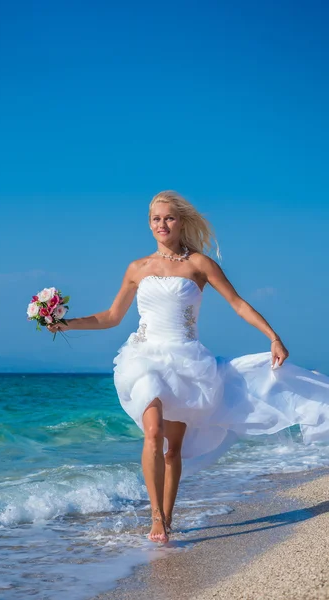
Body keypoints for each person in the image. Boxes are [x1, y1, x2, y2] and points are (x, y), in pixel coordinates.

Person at [47, 190, 329, 544]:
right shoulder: (138, 268)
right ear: (148, 224)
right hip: (144, 357)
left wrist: (273, 336)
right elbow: (110, 317)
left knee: (173, 449)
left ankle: (168, 515)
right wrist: (64, 323)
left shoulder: (199, 264)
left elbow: (237, 303)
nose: (161, 224)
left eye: (168, 218)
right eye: (155, 219)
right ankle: (155, 517)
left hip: (186, 363)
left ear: (180, 222)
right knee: (152, 432)